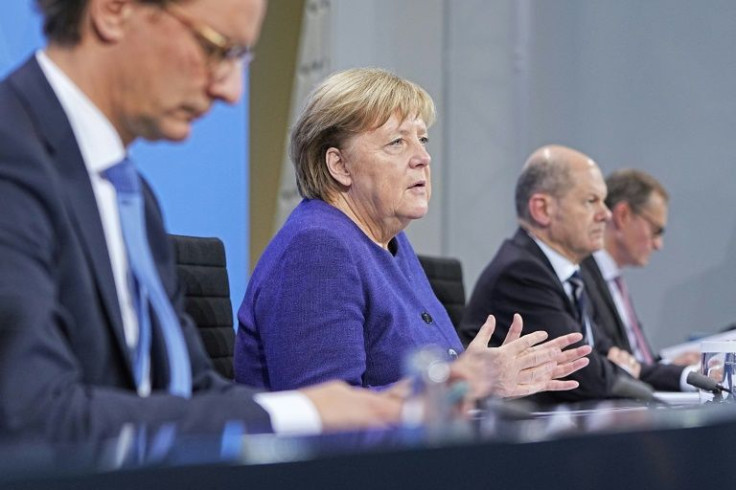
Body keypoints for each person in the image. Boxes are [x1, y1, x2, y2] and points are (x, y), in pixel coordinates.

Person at [0, 0, 406, 443]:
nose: (231, 91)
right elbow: (34, 417)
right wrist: (299, 411)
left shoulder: (130, 194)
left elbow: (187, 389)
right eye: (215, 49)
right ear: (113, 11)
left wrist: (361, 409)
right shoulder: (11, 161)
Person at [234, 69, 591, 401]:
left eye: (422, 139)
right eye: (397, 143)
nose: (423, 157)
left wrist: (479, 383)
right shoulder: (318, 249)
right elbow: (326, 412)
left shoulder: (390, 243)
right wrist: (465, 383)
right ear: (340, 166)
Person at [460, 145, 640, 404]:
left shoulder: (571, 273)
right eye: (591, 201)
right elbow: (584, 374)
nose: (606, 214)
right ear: (542, 209)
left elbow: (604, 353)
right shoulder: (521, 273)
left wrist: (684, 374)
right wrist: (621, 369)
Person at [581, 169, 698, 391]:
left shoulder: (613, 280)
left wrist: (665, 366)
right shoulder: (581, 278)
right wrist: (680, 375)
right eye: (656, 230)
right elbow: (612, 362)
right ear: (623, 215)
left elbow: (630, 360)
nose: (658, 244)